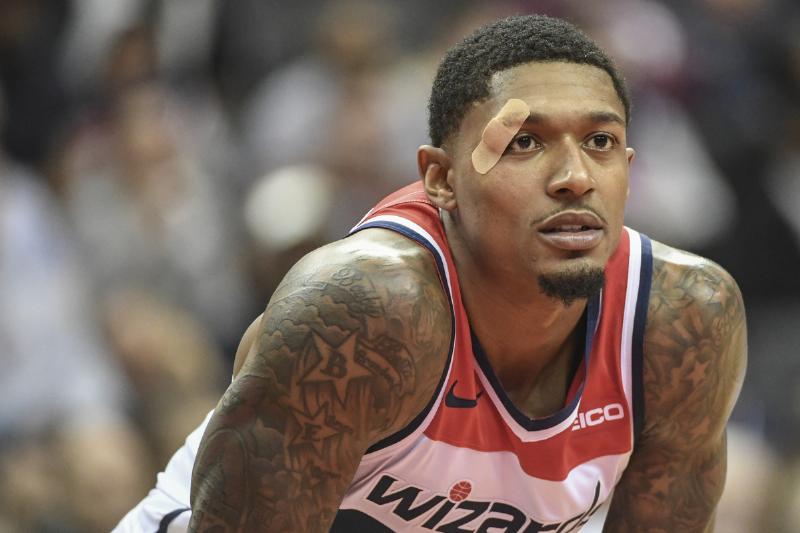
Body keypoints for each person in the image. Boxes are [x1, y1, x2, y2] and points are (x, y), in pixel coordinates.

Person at [115, 14, 746, 532]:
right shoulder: (365, 311)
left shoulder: (684, 321)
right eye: (524, 143)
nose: (576, 177)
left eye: (600, 143)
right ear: (441, 180)